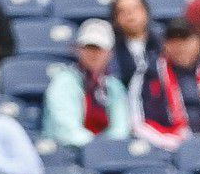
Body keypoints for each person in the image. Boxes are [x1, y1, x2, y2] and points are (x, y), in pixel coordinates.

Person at [134, 19, 200, 151]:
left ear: (198, 42)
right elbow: (139, 122)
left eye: (185, 39)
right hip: (165, 147)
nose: (179, 46)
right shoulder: (150, 73)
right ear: (165, 44)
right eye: (172, 40)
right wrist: (173, 142)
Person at [44, 19, 133, 147]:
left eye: (99, 49)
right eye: (88, 48)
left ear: (110, 53)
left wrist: (107, 148)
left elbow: (121, 128)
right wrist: (98, 148)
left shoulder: (114, 86)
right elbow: (66, 131)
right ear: (78, 50)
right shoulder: (63, 82)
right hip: (68, 152)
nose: (93, 54)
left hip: (106, 152)